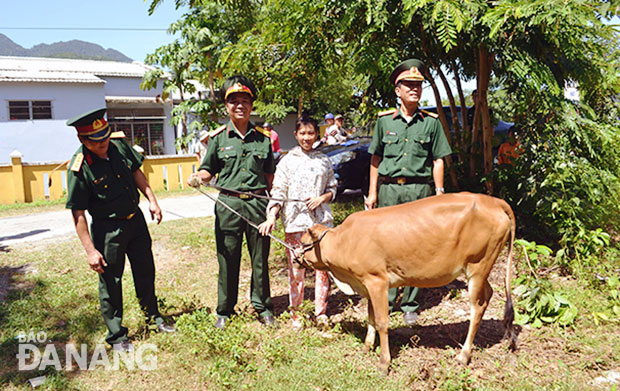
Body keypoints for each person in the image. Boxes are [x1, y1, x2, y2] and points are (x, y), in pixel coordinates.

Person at [65, 108, 175, 352]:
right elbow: (78, 213)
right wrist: (90, 251)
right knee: (111, 281)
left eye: (105, 136)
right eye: (96, 140)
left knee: (145, 270)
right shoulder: (79, 167)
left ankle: (153, 318)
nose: (103, 143)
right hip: (108, 229)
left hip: (135, 221)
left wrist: (152, 201)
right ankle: (116, 335)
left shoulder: (118, 145)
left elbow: (137, 173)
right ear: (82, 140)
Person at [364, 59, 452, 326]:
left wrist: (439, 193)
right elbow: (375, 159)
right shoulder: (383, 122)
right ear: (397, 89)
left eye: (418, 85)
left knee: (417, 246)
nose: (414, 89)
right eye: (409, 85)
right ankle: (388, 300)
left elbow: (438, 159)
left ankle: (410, 304)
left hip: (419, 191)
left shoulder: (432, 123)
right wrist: (372, 193)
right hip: (389, 189)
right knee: (387, 245)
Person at [187, 75, 276, 329]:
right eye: (234, 101)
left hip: (257, 204)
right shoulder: (218, 139)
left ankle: (263, 307)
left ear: (251, 105)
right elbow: (208, 171)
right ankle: (225, 311)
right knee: (227, 258)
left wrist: (272, 207)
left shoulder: (264, 139)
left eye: (245, 101)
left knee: (260, 258)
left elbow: (269, 176)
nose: (240, 105)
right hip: (228, 205)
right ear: (226, 106)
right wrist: (198, 177)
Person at [257, 116, 337, 329]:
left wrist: (322, 198)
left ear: (317, 135)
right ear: (296, 135)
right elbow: (278, 192)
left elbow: (333, 187)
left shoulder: (324, 160)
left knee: (322, 270)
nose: (307, 138)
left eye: (311, 133)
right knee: (296, 271)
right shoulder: (287, 161)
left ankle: (321, 312)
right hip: (294, 224)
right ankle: (297, 315)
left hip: (320, 224)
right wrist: (271, 216)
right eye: (302, 133)